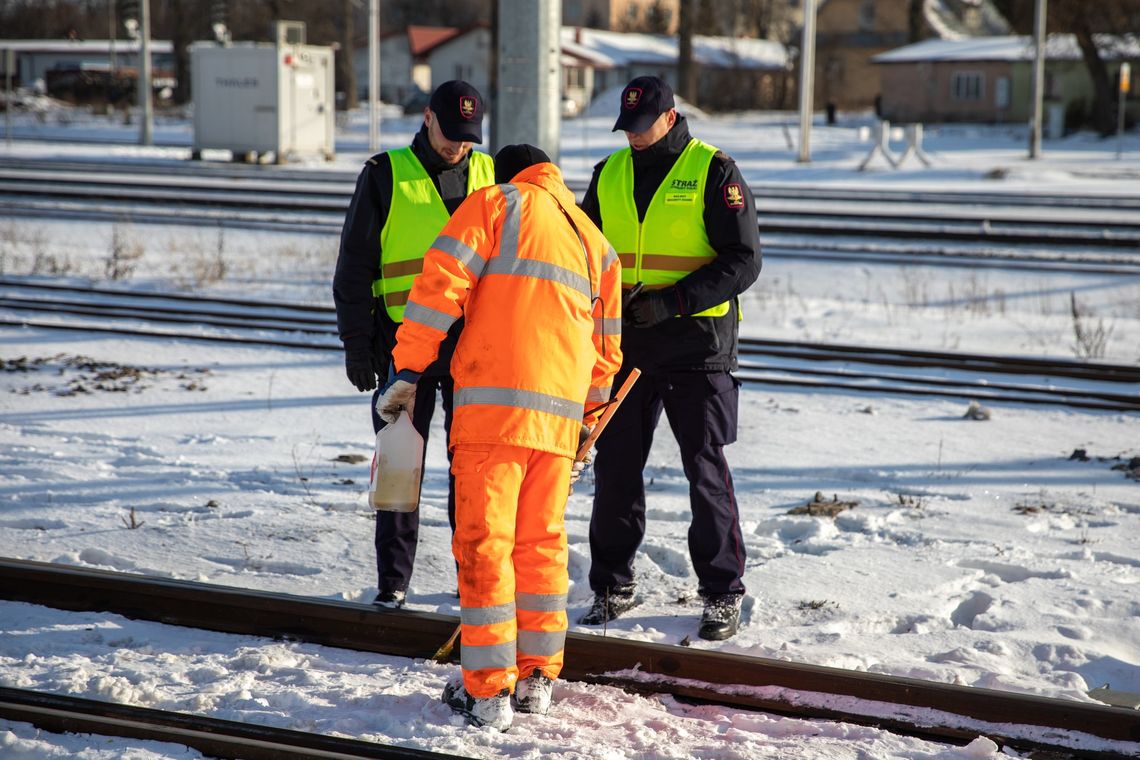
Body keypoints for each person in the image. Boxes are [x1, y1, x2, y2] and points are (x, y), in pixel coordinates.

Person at [376, 144, 622, 730]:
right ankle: (537, 678)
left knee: (486, 545)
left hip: (494, 413)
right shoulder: (595, 242)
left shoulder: (497, 203)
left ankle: (487, 694)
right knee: (541, 548)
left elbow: (441, 286)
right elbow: (607, 354)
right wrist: (586, 417)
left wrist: (408, 369)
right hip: (559, 425)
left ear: (510, 174)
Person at [577, 75, 762, 641]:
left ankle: (722, 592)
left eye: (642, 127)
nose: (632, 138)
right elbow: (582, 251)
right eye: (625, 128)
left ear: (670, 116)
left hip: (696, 348)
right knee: (614, 473)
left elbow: (743, 261)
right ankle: (611, 584)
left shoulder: (713, 170)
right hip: (625, 347)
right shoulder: (608, 173)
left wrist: (672, 303)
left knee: (704, 471)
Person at [332, 80, 495, 609]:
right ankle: (393, 584)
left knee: (471, 473)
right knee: (401, 467)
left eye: (468, 138)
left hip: (474, 348)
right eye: (451, 135)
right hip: (405, 350)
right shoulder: (384, 175)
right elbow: (354, 267)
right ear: (427, 118)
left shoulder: (492, 174)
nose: (459, 147)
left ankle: (471, 581)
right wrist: (357, 344)